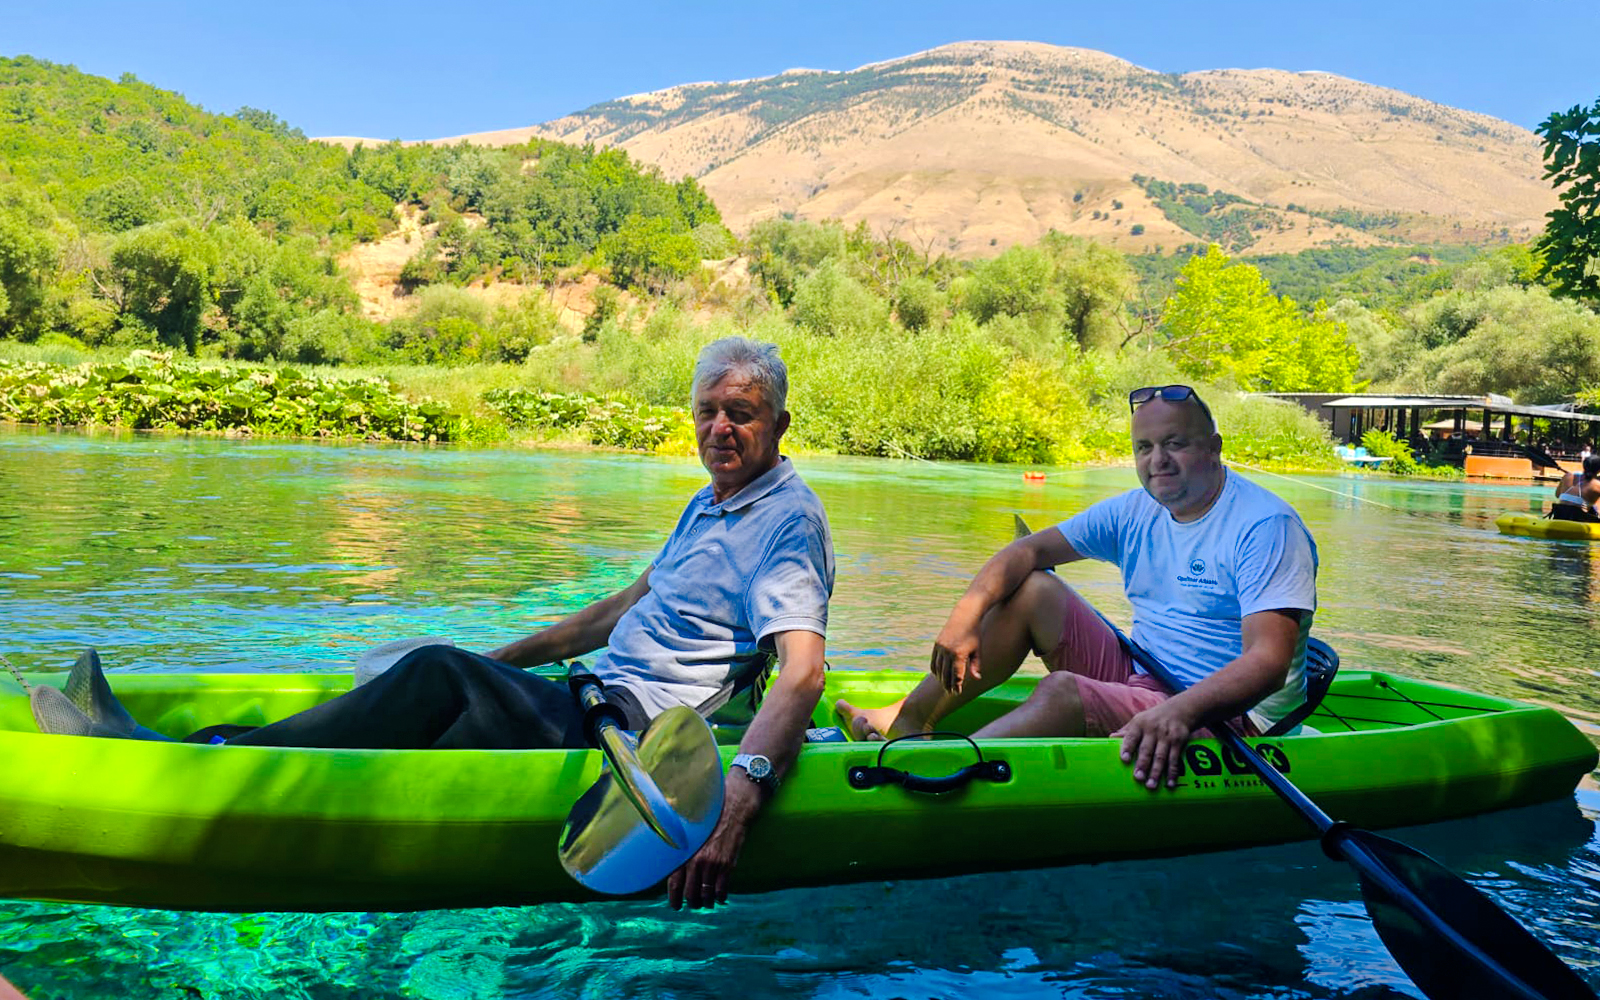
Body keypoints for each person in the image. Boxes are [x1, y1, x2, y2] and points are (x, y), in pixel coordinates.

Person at [32, 335, 834, 911]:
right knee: (434, 670)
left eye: (742, 412)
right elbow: (615, 610)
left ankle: (189, 763)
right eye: (708, 411)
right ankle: (220, 748)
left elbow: (800, 671)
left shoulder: (788, 520)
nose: (720, 428)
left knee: (437, 676)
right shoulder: (709, 502)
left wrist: (740, 796)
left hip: (639, 738)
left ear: (779, 425)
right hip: (589, 694)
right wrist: (494, 662)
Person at [838, 384, 1317, 791]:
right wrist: (964, 617)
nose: (1158, 461)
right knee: (1033, 589)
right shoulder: (1135, 510)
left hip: (1237, 720)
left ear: (1214, 447)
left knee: (1063, 692)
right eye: (1144, 448)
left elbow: (1268, 664)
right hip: (1145, 673)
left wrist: (1181, 712)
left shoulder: (1265, 526)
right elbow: (1023, 553)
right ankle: (909, 720)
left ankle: (946, 773)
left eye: (1175, 443)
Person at [1550, 454, 1600, 522]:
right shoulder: (1597, 485)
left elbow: (1557, 495)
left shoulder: (1567, 476)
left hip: (1559, 516)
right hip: (1578, 520)